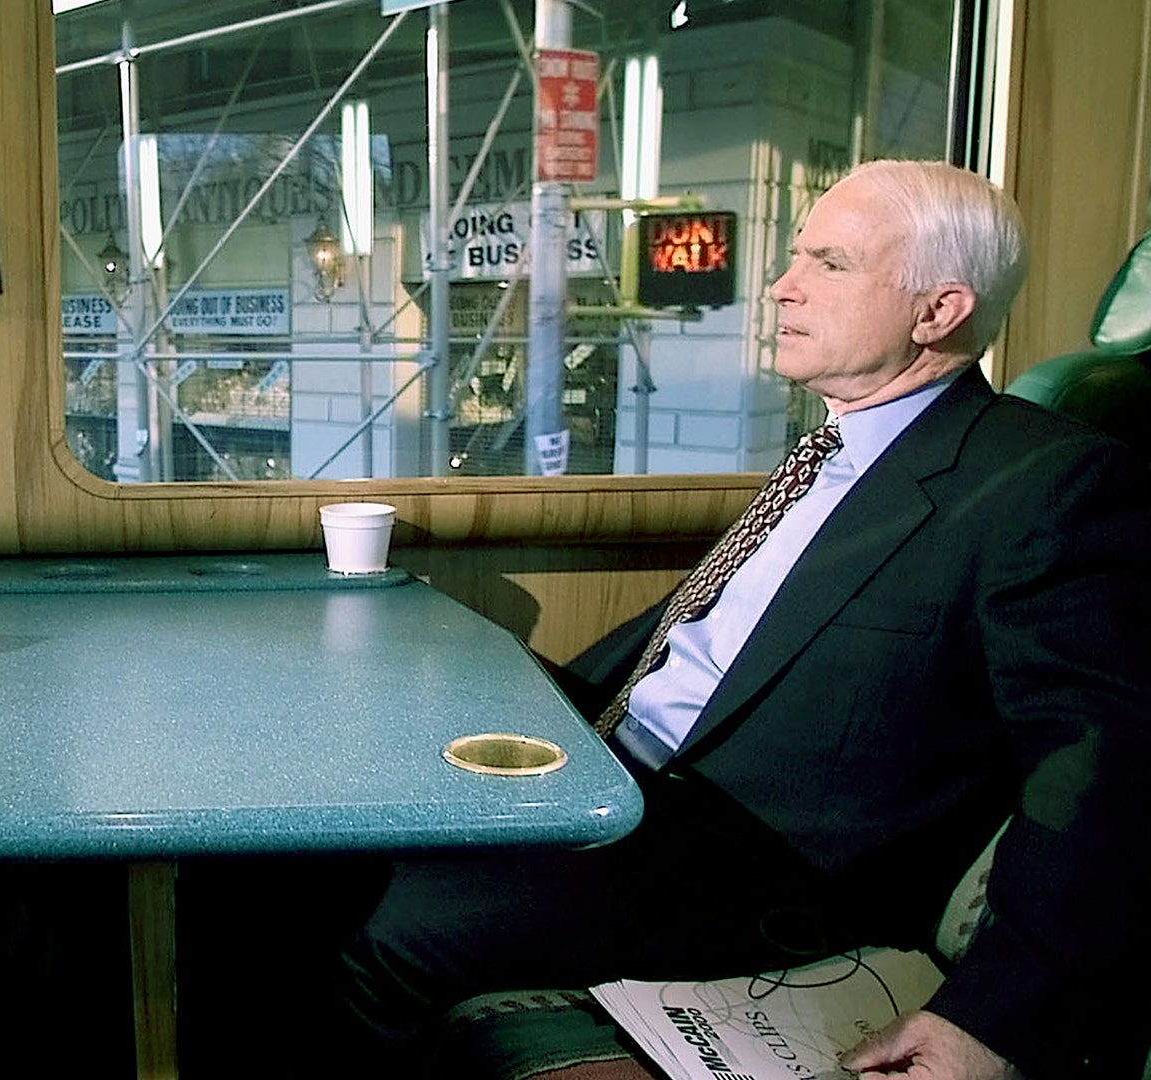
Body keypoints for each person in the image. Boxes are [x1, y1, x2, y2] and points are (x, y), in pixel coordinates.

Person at [339, 160, 1151, 1079]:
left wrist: (997, 1017)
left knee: (370, 922)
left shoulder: (1052, 483)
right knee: (327, 838)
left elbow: (1102, 769)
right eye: (796, 256)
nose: (782, 286)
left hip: (749, 876)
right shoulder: (832, 452)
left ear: (938, 311)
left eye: (830, 264)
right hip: (614, 779)